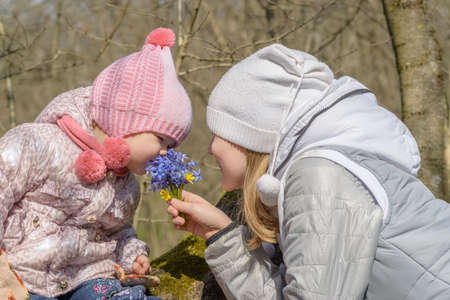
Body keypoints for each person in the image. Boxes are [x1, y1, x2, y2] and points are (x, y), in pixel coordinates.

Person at [167, 43, 450, 299]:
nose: (210, 148)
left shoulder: (319, 177)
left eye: (219, 133)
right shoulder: (316, 174)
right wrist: (222, 235)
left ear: (250, 137)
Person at [0, 27, 192, 299]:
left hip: (88, 278)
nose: (165, 153)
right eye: (161, 139)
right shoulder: (37, 144)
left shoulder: (127, 187)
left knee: (118, 295)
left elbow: (118, 231)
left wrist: (132, 254)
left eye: (171, 146)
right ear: (128, 123)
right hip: (22, 276)